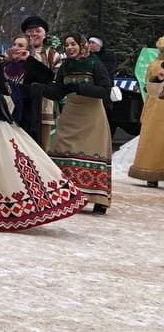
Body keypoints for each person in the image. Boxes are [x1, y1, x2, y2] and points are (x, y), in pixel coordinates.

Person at [0, 24, 87, 231]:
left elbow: (46, 78)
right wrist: (6, 61)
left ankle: (29, 198)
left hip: (8, 115)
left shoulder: (6, 62)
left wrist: (27, 60)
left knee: (20, 153)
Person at [48, 32, 113, 214]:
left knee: (94, 152)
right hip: (71, 114)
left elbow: (105, 89)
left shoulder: (94, 63)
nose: (69, 48)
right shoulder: (66, 65)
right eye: (66, 44)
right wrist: (41, 89)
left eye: (73, 44)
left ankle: (98, 198)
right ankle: (65, 193)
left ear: (82, 44)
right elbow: (58, 90)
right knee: (61, 148)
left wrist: (80, 88)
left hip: (91, 116)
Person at [20, 15, 62, 149]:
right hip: (21, 108)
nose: (33, 34)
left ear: (44, 34)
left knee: (41, 150)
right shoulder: (17, 51)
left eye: (37, 30)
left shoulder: (52, 54)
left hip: (44, 109)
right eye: (29, 31)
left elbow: (56, 81)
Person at [128, 35, 164, 187]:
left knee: (153, 140)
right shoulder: (156, 66)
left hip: (154, 108)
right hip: (156, 108)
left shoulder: (154, 64)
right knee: (155, 140)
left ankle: (151, 175)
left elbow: (147, 86)